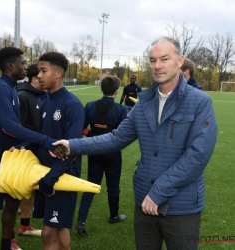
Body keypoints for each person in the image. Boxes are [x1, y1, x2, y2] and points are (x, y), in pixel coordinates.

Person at [53, 36, 217, 250]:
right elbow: (116, 138)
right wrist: (72, 145)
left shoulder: (200, 102)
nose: (157, 66)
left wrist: (158, 193)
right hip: (144, 203)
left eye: (164, 59)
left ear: (179, 61)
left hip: (181, 207)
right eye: (152, 60)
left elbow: (197, 156)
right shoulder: (144, 103)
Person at [0, 47, 62, 250]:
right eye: (22, 63)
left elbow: (15, 128)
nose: (25, 66)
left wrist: (23, 144)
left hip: (9, 162)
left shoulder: (12, 87)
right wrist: (45, 140)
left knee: (12, 207)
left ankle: (7, 246)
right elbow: (9, 126)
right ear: (11, 65)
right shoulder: (1, 87)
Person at [29, 52, 84, 250]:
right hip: (46, 175)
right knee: (58, 228)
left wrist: (51, 178)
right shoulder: (45, 100)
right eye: (38, 71)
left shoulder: (72, 105)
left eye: (44, 71)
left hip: (62, 176)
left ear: (58, 73)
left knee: (49, 231)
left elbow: (74, 148)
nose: (39, 76)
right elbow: (41, 138)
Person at [76, 75, 128, 236]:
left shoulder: (90, 106)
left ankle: (80, 222)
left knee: (90, 187)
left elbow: (82, 128)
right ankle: (113, 216)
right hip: (112, 154)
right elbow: (124, 134)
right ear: (117, 91)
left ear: (101, 88)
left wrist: (93, 136)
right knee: (113, 188)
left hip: (95, 152)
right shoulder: (121, 110)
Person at [15, 63, 45, 237]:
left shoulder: (39, 95)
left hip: (34, 152)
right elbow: (16, 128)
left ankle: (25, 226)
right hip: (21, 154)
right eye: (42, 73)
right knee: (15, 195)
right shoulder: (22, 96)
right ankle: (8, 239)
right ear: (35, 78)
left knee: (29, 189)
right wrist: (23, 146)